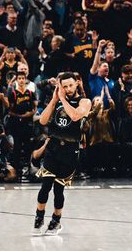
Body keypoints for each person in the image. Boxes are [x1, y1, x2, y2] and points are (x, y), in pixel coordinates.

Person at [32, 72, 91, 236]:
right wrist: (54, 99)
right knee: (45, 187)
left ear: (77, 83)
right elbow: (42, 121)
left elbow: (75, 115)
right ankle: (39, 217)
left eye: (70, 85)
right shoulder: (57, 101)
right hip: (53, 147)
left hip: (70, 151)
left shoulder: (85, 101)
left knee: (59, 190)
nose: (68, 89)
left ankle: (56, 221)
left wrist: (63, 99)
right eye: (64, 86)